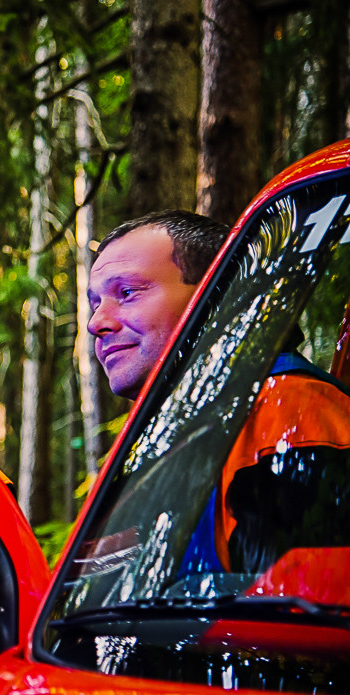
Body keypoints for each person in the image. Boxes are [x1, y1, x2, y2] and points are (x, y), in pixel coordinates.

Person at [87, 210, 350, 574]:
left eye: (127, 293)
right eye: (95, 303)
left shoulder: (286, 411)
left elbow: (301, 601)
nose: (96, 322)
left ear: (218, 298)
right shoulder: (178, 434)